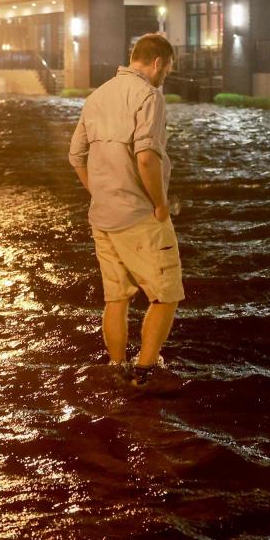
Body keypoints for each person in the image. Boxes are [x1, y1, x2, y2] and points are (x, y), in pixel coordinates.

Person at [68, 33, 183, 387]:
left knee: (116, 298)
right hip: (138, 217)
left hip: (102, 216)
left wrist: (100, 191)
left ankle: (117, 366)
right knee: (166, 294)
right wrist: (160, 205)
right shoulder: (149, 96)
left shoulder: (96, 96)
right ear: (157, 63)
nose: (165, 77)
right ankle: (145, 372)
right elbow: (147, 157)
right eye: (167, 70)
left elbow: (75, 157)